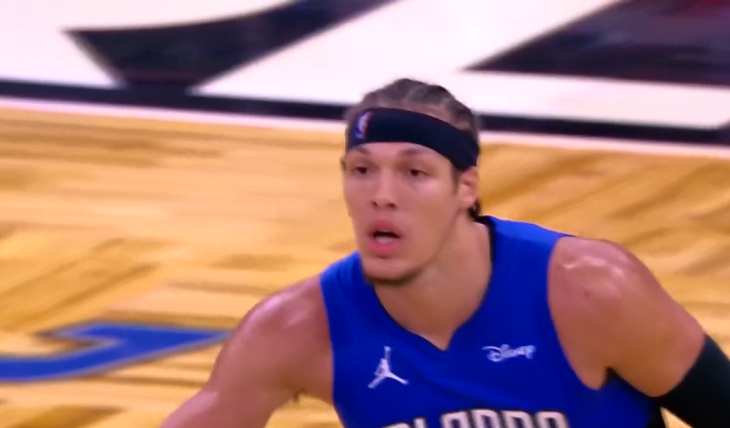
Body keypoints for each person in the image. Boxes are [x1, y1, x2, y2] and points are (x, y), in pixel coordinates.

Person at [160, 79, 730, 428]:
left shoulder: (590, 290)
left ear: (466, 188)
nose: (382, 194)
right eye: (362, 171)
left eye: (414, 173)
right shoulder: (298, 329)